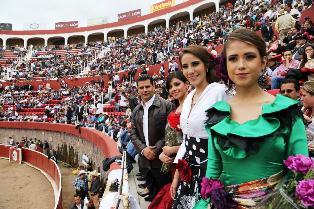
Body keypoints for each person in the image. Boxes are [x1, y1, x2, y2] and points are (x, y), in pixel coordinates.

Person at [194, 29, 308, 209]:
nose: (240, 65)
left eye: (249, 57)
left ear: (263, 62)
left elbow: (300, 173)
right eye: (233, 58)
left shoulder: (286, 110)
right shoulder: (217, 114)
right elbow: (213, 173)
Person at [170, 45, 228, 209]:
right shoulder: (189, 97)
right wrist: (176, 176)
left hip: (210, 171)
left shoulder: (220, 91)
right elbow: (186, 141)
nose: (190, 71)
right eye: (185, 66)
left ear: (206, 64)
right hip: (188, 173)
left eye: (195, 64)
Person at [130, 74, 174, 201]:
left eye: (148, 86)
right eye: (141, 87)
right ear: (137, 90)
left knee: (166, 197)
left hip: (162, 160)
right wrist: (144, 149)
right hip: (145, 162)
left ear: (154, 87)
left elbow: (170, 133)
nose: (145, 90)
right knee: (153, 199)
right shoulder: (136, 110)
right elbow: (133, 133)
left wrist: (155, 149)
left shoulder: (167, 106)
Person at [149, 71, 189, 209]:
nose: (174, 89)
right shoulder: (175, 108)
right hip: (173, 165)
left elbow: (196, 141)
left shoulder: (193, 108)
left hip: (187, 166)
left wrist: (172, 149)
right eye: (170, 87)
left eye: (177, 84)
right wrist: (162, 153)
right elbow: (168, 140)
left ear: (187, 84)